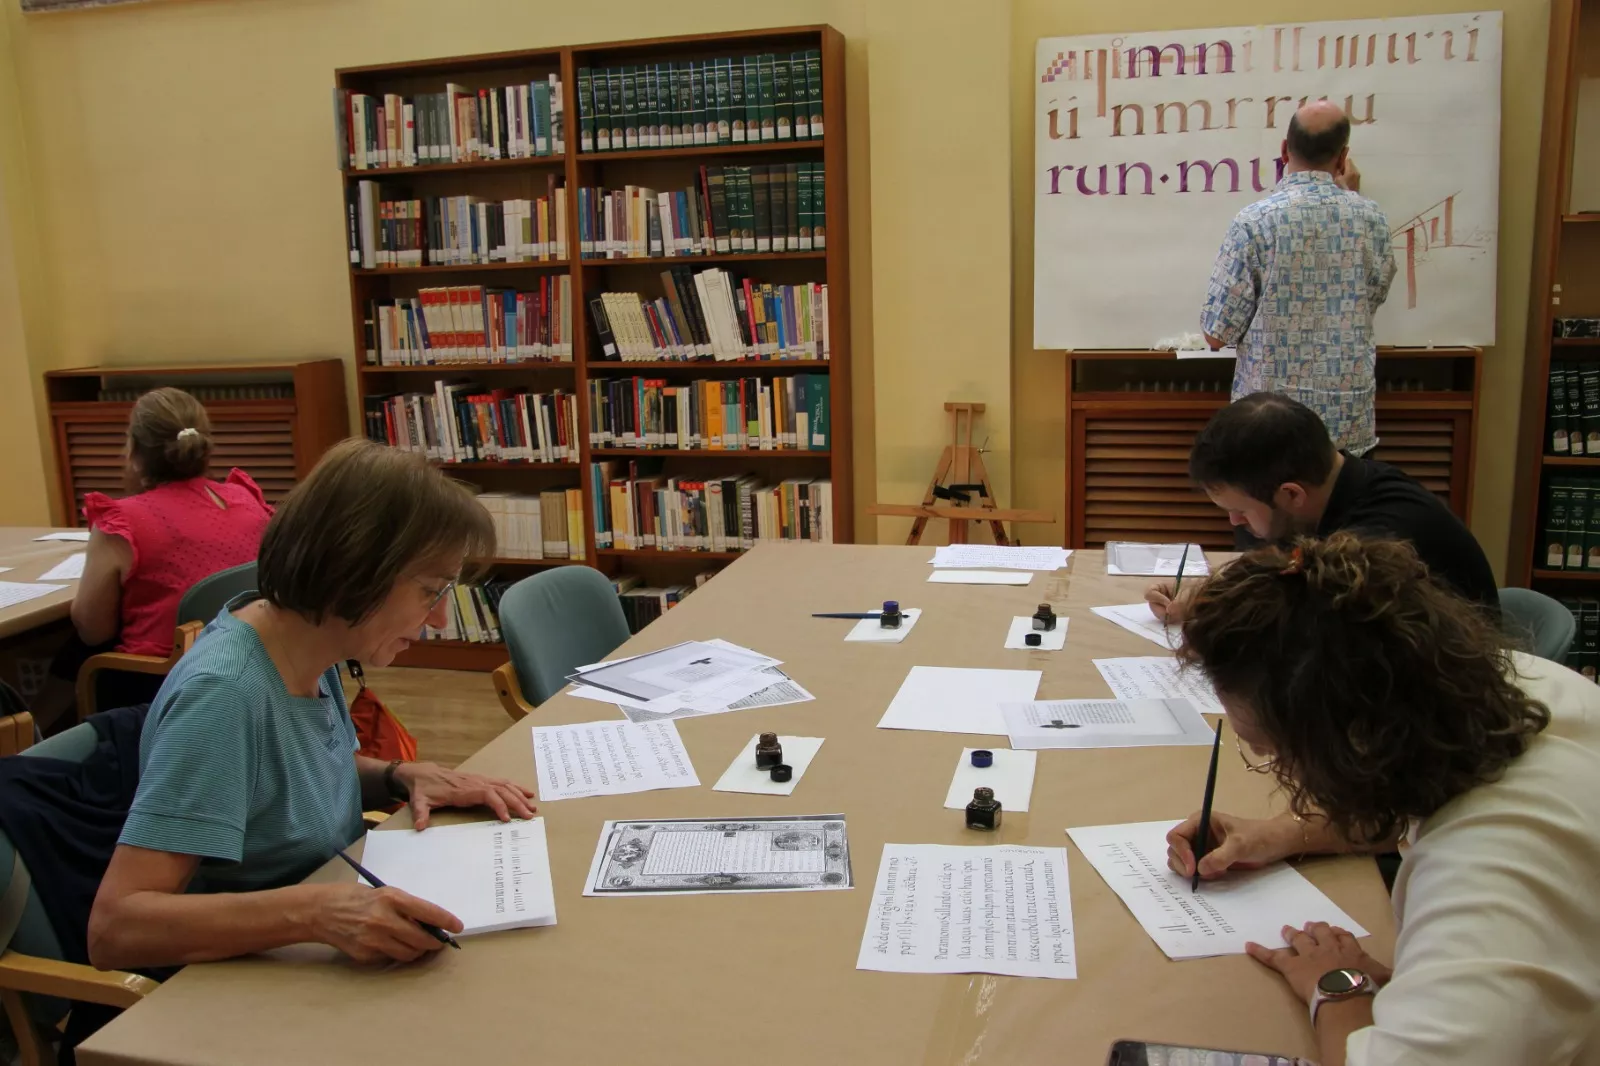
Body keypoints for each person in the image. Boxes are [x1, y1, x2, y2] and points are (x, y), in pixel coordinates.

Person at [87, 439, 537, 970]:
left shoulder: (308, 640)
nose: (438, 620)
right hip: (230, 988)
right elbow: (116, 929)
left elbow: (284, 770)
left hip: (317, 936)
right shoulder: (225, 694)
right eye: (430, 592)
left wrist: (399, 775)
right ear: (355, 571)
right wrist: (313, 914)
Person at [1164, 534, 1600, 1066]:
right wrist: (1286, 832)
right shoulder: (1507, 689)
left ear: (1354, 745)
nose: (1278, 771)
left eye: (1271, 751)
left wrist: (1337, 988)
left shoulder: (1492, 878)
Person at [1145, 392, 1497, 623]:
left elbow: (1300, 626)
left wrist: (1213, 608)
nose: (1235, 522)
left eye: (1242, 511)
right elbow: (1277, 570)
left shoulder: (1375, 546)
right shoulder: (1335, 489)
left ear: (1292, 495)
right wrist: (1208, 597)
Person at [1201, 100, 1396, 459]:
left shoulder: (1254, 222)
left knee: (1263, 514)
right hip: (1345, 426)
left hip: (1266, 428)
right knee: (1345, 515)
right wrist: (1351, 197)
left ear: (1283, 150)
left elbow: (1218, 333)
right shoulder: (1372, 219)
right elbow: (1369, 298)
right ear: (1342, 158)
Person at [73, 387, 274, 659]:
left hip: (165, 681)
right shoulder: (246, 500)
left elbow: (93, 631)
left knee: (68, 656)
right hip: (251, 667)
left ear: (133, 449)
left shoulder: (123, 523)